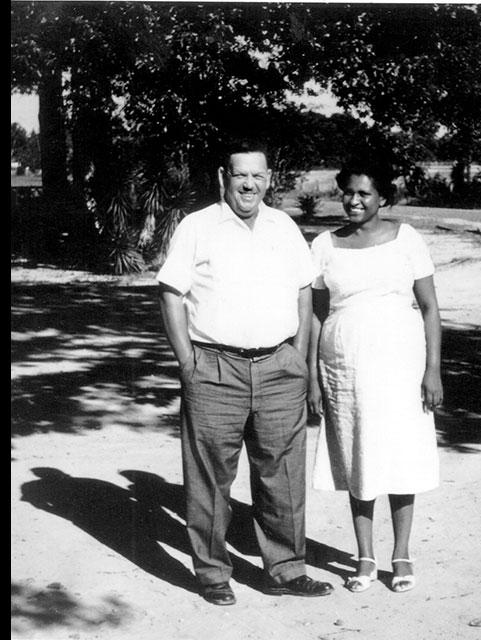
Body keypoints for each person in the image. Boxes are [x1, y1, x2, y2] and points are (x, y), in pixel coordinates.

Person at [157, 141, 334, 606]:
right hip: (215, 367)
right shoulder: (197, 227)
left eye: (257, 176)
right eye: (240, 175)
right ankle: (213, 573)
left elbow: (303, 288)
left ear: (269, 179)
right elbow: (171, 293)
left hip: (279, 367)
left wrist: (297, 354)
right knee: (210, 476)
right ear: (223, 177)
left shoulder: (283, 226)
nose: (249, 184)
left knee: (283, 474)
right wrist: (187, 361)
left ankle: (285, 569)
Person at [307, 159, 443, 594]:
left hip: (400, 363)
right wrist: (311, 375)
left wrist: (433, 370)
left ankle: (401, 553)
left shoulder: (407, 239)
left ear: (383, 198)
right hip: (343, 364)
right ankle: (365, 556)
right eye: (348, 192)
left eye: (364, 193)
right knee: (357, 452)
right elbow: (314, 314)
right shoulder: (324, 244)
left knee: (401, 454)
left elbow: (429, 308)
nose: (354, 200)